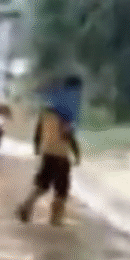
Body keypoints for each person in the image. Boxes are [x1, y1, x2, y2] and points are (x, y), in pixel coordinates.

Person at [17, 77, 82, 226]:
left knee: (42, 185)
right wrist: (76, 153)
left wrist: (37, 146)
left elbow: (38, 131)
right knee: (62, 188)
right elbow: (68, 134)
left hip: (47, 152)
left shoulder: (47, 109)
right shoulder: (68, 109)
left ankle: (26, 207)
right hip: (61, 154)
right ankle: (56, 218)